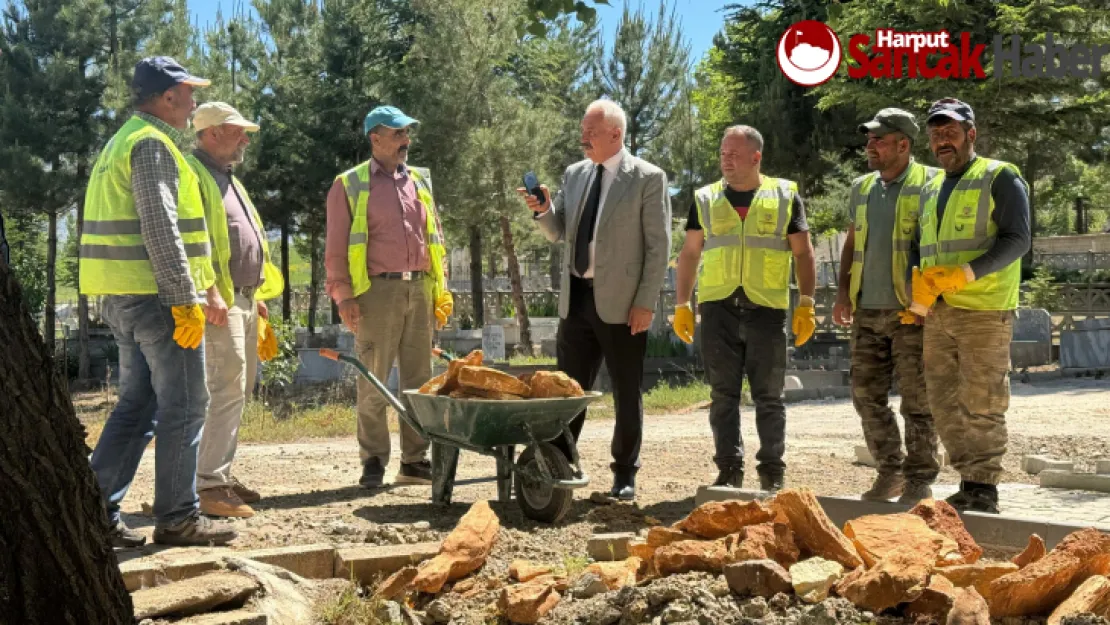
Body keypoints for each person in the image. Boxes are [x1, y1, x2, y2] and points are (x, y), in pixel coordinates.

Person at [80, 57, 237, 547]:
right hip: (157, 298)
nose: (194, 104)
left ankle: (92, 512)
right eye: (189, 93)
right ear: (167, 97)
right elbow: (161, 228)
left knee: (140, 402)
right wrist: (183, 299)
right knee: (188, 402)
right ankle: (178, 517)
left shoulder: (122, 140)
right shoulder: (151, 144)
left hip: (124, 296)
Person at [520, 99, 671, 501]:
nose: (583, 137)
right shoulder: (575, 174)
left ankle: (624, 474)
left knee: (626, 389)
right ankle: (557, 465)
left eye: (591, 131)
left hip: (623, 305)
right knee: (568, 391)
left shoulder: (647, 178)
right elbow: (559, 232)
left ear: (615, 135)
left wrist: (645, 302)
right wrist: (545, 209)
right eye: (583, 130)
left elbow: (658, 248)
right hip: (577, 300)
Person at [672, 125, 816, 493]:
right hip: (718, 308)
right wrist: (682, 304)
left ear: (756, 157)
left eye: (735, 154)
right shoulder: (705, 198)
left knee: (770, 397)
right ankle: (729, 471)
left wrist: (807, 304)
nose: (726, 160)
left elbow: (802, 252)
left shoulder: (784, 196)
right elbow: (690, 253)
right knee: (723, 397)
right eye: (723, 154)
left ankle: (772, 472)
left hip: (767, 309)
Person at [910, 98, 1031, 514]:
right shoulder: (930, 187)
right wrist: (917, 293)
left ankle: (984, 488)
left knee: (982, 400)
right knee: (943, 401)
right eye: (936, 133)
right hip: (938, 312)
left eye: (951, 132)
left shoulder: (999, 176)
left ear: (970, 134)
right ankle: (968, 480)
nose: (943, 140)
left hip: (984, 309)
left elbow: (1018, 239)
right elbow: (922, 245)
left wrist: (967, 273)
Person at [325, 105, 453, 489]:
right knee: (374, 379)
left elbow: (436, 240)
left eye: (407, 133)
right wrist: (344, 297)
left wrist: (439, 292)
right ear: (374, 139)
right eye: (397, 134)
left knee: (419, 379)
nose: (405, 141)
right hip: (375, 292)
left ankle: (414, 461)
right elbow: (335, 250)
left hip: (419, 287)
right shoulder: (348, 184)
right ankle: (374, 461)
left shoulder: (419, 182)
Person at [832, 109, 941, 504]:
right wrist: (843, 293)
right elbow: (852, 243)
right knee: (865, 395)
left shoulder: (932, 183)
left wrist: (929, 301)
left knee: (918, 400)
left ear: (903, 144)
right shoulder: (862, 187)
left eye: (878, 139)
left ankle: (920, 478)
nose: (870, 146)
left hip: (912, 312)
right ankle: (890, 471)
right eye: (869, 139)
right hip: (867, 311)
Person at [187, 102, 283, 518]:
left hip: (242, 298)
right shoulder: (193, 174)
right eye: (237, 131)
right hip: (217, 301)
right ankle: (207, 484)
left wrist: (255, 295)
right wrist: (209, 292)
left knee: (237, 390)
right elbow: (192, 242)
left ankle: (216, 473)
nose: (245, 138)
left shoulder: (228, 178)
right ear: (210, 133)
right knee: (223, 389)